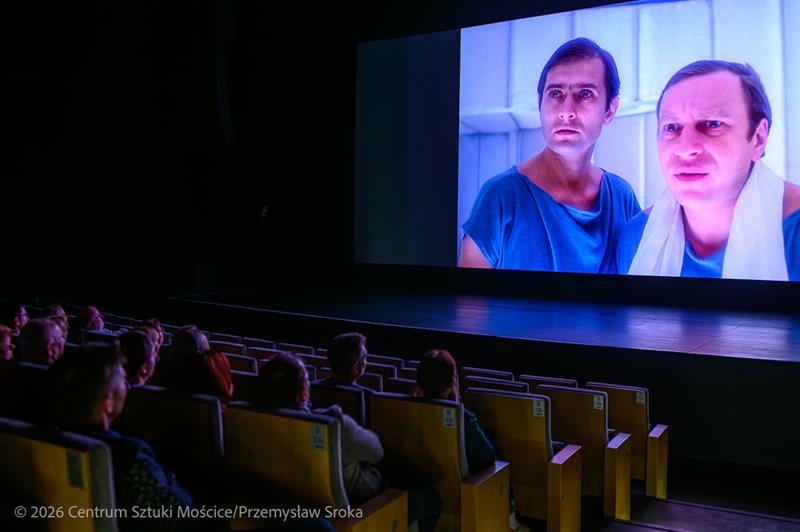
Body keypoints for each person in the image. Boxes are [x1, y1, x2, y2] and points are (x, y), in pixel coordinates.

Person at [460, 37, 640, 273]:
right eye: (555, 94)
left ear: (610, 110)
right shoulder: (501, 196)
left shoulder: (621, 197)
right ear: (540, 104)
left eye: (585, 94)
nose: (566, 111)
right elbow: (465, 295)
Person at [618, 60, 800, 280]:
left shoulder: (794, 233)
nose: (685, 149)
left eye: (713, 124)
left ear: (758, 139)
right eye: (671, 127)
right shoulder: (636, 237)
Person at [49, 345, 198, 532]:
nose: (126, 387)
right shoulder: (130, 458)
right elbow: (184, 516)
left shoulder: (41, 441)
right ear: (108, 403)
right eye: (124, 383)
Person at [416, 349, 529, 532]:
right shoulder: (464, 419)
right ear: (452, 382)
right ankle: (511, 522)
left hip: (422, 486)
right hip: (463, 493)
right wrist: (457, 404)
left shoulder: (402, 409)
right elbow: (488, 456)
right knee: (497, 457)